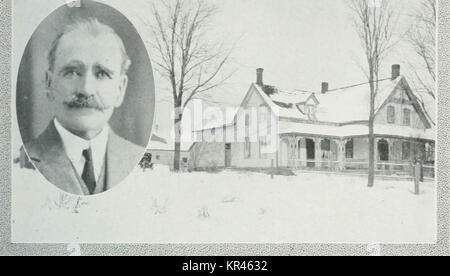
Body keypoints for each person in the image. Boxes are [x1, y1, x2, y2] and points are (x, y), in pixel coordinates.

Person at [21, 17, 145, 195]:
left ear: (120, 89)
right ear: (49, 84)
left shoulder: (141, 161)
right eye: (72, 72)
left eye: (102, 73)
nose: (86, 90)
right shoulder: (18, 163)